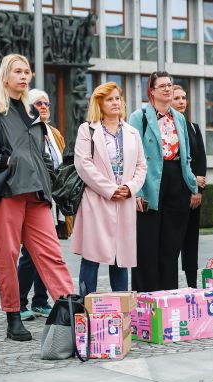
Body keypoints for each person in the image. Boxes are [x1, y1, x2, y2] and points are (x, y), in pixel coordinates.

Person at [0, 54, 74, 341]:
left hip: (36, 193)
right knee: (7, 256)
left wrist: (48, 179)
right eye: (18, 71)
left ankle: (69, 307)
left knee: (51, 253)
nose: (24, 75)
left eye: (27, 71)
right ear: (5, 77)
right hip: (6, 192)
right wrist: (7, 162)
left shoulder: (32, 113)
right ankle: (13, 317)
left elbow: (40, 153)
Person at [72, 82, 147, 293]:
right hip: (97, 200)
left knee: (120, 259)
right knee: (92, 257)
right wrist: (110, 189)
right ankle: (85, 309)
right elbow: (83, 163)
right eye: (109, 99)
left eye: (117, 98)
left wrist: (130, 188)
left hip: (124, 201)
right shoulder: (87, 130)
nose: (115, 102)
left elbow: (142, 165)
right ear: (99, 103)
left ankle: (122, 310)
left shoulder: (132, 132)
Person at [128, 71, 197, 292]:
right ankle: (146, 296)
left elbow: (186, 153)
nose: (168, 89)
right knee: (147, 245)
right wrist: (136, 192)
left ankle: (169, 296)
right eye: (162, 86)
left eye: (170, 85)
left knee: (171, 244)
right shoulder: (140, 117)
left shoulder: (179, 118)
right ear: (152, 91)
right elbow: (132, 156)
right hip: (149, 181)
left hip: (177, 179)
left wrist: (191, 183)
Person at [17, 88, 72, 321]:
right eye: (38, 103)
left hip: (53, 201)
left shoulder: (53, 132)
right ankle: (19, 302)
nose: (44, 107)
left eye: (47, 103)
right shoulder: (25, 131)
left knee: (49, 251)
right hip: (35, 199)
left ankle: (40, 300)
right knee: (30, 254)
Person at [172, 85, 206, 288]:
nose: (182, 102)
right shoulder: (168, 129)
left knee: (191, 242)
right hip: (176, 193)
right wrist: (191, 183)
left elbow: (201, 160)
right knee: (173, 242)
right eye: (177, 98)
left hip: (193, 195)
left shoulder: (193, 127)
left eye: (184, 98)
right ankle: (171, 287)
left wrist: (197, 190)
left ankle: (193, 285)